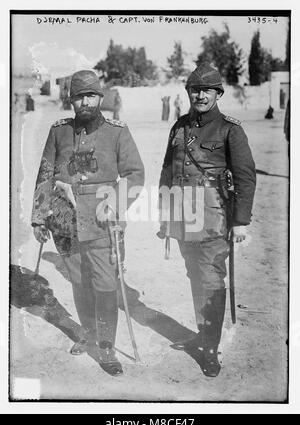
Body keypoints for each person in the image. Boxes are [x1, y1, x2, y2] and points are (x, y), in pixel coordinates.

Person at [32, 70, 145, 376]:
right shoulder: (59, 131)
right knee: (79, 282)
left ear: (100, 98)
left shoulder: (117, 132)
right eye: (80, 96)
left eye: (91, 96)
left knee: (105, 283)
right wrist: (39, 216)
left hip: (101, 221)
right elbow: (45, 173)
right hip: (65, 221)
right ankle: (90, 334)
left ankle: (107, 347)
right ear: (72, 100)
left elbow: (135, 175)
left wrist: (115, 203)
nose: (85, 102)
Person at [158, 63, 256, 377]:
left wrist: (240, 222)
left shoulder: (230, 129)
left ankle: (210, 350)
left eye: (207, 90)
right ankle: (203, 332)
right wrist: (164, 215)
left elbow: (245, 178)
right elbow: (167, 171)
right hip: (183, 217)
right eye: (195, 89)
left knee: (211, 279)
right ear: (188, 92)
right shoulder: (179, 126)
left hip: (213, 215)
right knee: (194, 276)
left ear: (217, 94)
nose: (200, 95)